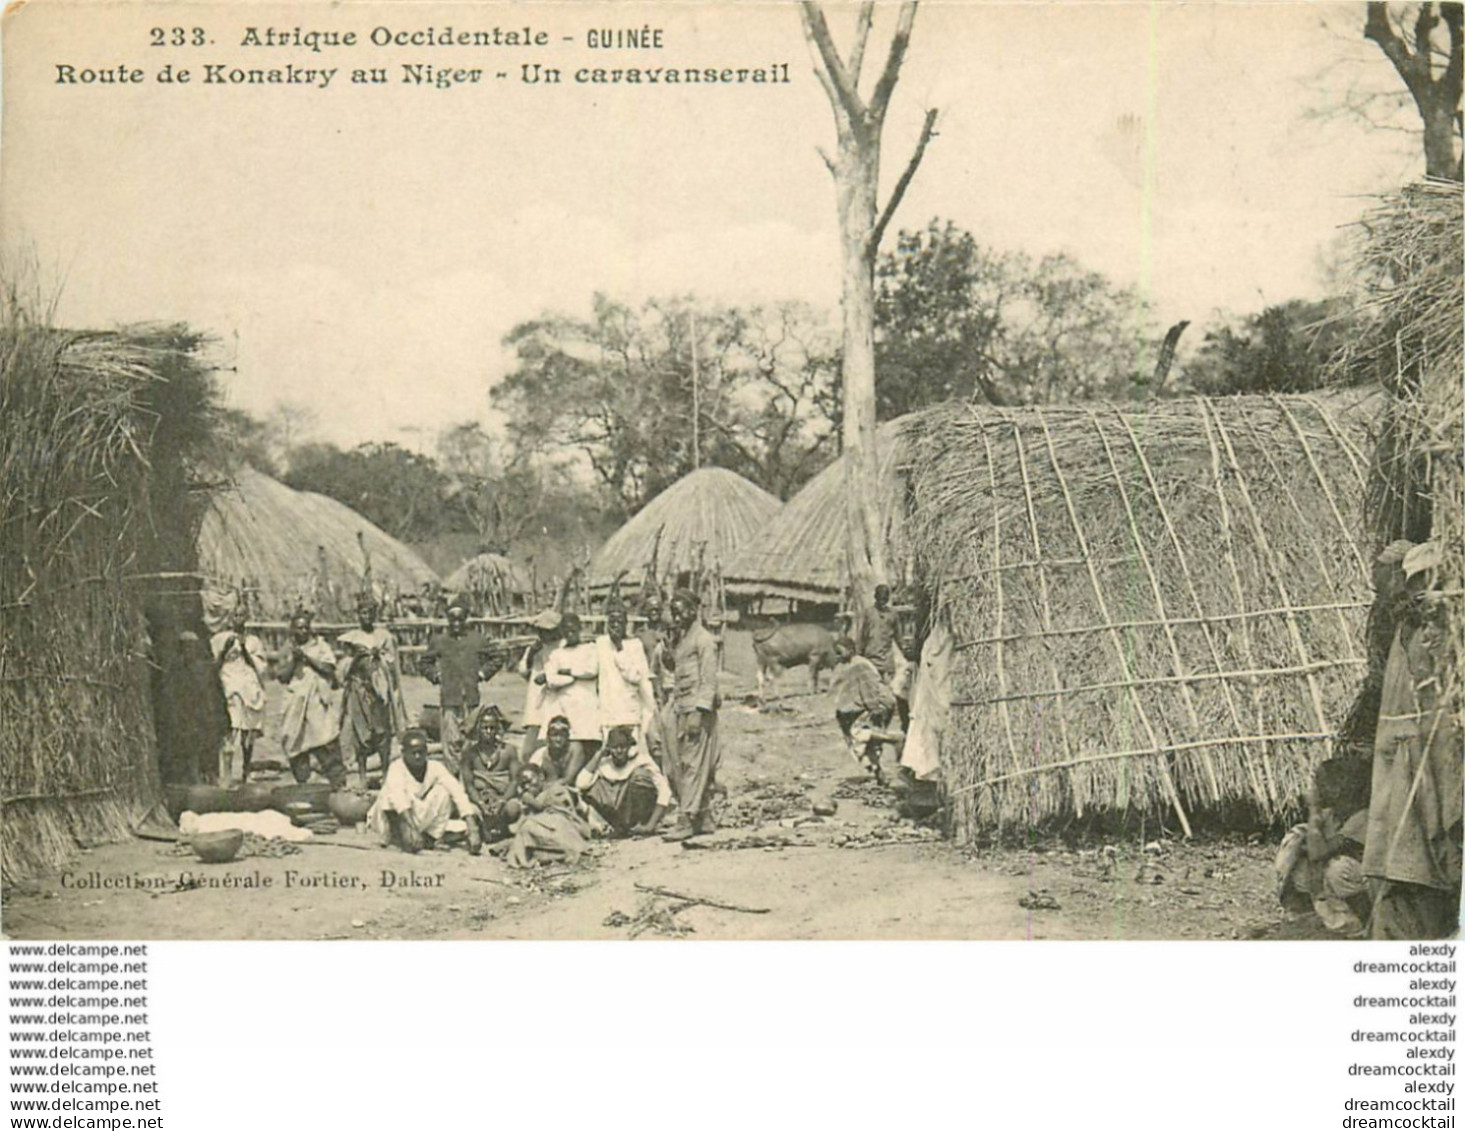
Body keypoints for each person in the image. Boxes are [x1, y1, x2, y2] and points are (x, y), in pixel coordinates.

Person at [1362, 542, 1463, 939]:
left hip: (1435, 745)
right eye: (1416, 582)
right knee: (1406, 834)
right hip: (1410, 747)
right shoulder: (1411, 630)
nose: (1422, 590)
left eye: (1430, 579)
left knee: (1440, 826)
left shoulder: (1442, 630)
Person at [1275, 757, 1372, 935]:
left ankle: (1363, 922)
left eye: (1320, 783)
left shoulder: (1362, 817)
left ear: (1338, 789)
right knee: (1295, 844)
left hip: (1365, 884)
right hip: (1330, 883)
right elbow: (1311, 849)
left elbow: (1318, 852)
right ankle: (1309, 910)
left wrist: (1313, 811)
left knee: (1338, 868)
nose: (1315, 789)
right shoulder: (1331, 814)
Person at [661, 589, 721, 842]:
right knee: (678, 762)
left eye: (680, 610)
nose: (676, 615)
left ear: (693, 610)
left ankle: (686, 819)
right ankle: (704, 816)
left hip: (696, 710)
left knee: (693, 765)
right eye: (673, 611)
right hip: (680, 707)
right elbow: (678, 670)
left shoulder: (704, 639)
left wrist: (699, 711)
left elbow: (708, 680)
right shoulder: (683, 638)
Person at [367, 729, 483, 855]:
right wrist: (412, 829)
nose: (418, 756)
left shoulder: (435, 767)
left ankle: (431, 837)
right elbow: (399, 801)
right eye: (413, 753)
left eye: (421, 752)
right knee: (388, 795)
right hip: (398, 817)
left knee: (443, 791)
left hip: (416, 814)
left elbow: (457, 792)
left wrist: (473, 829)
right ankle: (395, 837)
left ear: (426, 752)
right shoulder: (396, 768)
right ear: (403, 753)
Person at [336, 596, 407, 790]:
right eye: (363, 613)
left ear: (375, 614)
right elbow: (342, 669)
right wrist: (356, 659)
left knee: (382, 732)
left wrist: (379, 658)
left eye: (370, 613)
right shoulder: (351, 638)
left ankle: (385, 773)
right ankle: (362, 776)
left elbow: (392, 663)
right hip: (358, 691)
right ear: (358, 615)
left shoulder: (384, 636)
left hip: (380, 692)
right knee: (360, 734)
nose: (366, 617)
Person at [423, 596, 503, 765]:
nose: (456, 623)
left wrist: (482, 673)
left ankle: (469, 775)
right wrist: (435, 676)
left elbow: (497, 657)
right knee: (452, 740)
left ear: (465, 618)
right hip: (450, 698)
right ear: (448, 620)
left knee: (472, 738)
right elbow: (424, 662)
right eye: (452, 619)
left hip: (472, 698)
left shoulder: (477, 639)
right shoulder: (440, 640)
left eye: (460, 618)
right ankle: (453, 775)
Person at [273, 611, 348, 788]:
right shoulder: (286, 649)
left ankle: (339, 786)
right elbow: (282, 677)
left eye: (306, 628)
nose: (303, 631)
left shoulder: (320, 646)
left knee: (326, 741)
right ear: (292, 630)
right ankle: (304, 786)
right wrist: (294, 662)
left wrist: (307, 659)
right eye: (299, 628)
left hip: (317, 703)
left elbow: (329, 669)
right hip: (295, 703)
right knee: (295, 744)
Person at [831, 636, 904, 785]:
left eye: (840, 652)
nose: (837, 656)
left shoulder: (860, 665)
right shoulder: (846, 665)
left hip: (870, 706)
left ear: (851, 650)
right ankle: (880, 774)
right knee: (865, 746)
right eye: (836, 653)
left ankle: (894, 739)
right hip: (854, 708)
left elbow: (869, 688)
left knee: (859, 736)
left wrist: (874, 708)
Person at [576, 724, 671, 837]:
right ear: (609, 748)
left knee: (640, 776)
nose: (619, 751)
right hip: (615, 815)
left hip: (635, 813)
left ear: (629, 747)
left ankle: (639, 825)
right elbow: (580, 784)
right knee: (593, 786)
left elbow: (665, 792)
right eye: (615, 747)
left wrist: (650, 825)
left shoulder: (642, 760)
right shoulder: (604, 763)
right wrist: (600, 754)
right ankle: (610, 827)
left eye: (623, 746)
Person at [210, 604, 268, 785]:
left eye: (242, 615)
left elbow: (261, 668)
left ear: (246, 617)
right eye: (235, 615)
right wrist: (225, 650)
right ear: (229, 618)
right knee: (231, 729)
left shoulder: (253, 641)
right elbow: (213, 666)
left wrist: (244, 649)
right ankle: (226, 774)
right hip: (229, 686)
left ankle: (246, 771)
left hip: (249, 688)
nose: (238, 619)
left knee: (248, 732)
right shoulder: (219, 639)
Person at [540, 612, 600, 784]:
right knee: (569, 750)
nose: (570, 632)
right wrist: (574, 676)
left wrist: (567, 671)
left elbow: (592, 670)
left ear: (580, 629)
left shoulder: (590, 648)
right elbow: (551, 679)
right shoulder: (557, 653)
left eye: (573, 629)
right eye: (566, 630)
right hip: (566, 707)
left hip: (587, 708)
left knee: (589, 752)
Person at [506, 760, 591, 868]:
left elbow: (561, 813)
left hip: (564, 829)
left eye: (529, 781)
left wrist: (534, 804)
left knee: (528, 827)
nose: (527, 787)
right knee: (526, 829)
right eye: (523, 785)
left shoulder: (556, 790)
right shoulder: (535, 796)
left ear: (541, 777)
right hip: (549, 832)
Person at [595, 595, 656, 745]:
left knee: (632, 749)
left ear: (626, 624)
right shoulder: (601, 644)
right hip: (608, 711)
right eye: (612, 622)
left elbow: (636, 677)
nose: (615, 626)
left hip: (629, 710)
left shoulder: (634, 645)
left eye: (619, 622)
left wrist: (619, 648)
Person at [459, 704, 519, 841]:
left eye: (492, 728)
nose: (488, 731)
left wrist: (502, 801)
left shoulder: (509, 750)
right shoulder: (470, 753)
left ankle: (500, 827)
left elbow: (515, 780)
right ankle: (482, 828)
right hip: (479, 798)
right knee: (470, 810)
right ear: (477, 729)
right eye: (485, 728)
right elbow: (469, 785)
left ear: (497, 729)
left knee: (513, 808)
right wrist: (480, 802)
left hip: (502, 797)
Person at [518, 609, 563, 758]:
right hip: (536, 700)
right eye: (540, 631)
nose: (542, 635)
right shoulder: (535, 648)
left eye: (546, 631)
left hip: (556, 698)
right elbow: (523, 671)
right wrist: (531, 654)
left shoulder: (562, 647)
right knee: (529, 750)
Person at [855, 584, 901, 683]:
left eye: (885, 599)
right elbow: (863, 634)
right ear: (875, 597)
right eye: (880, 598)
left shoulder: (893, 614)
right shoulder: (868, 613)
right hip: (871, 657)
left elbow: (898, 635)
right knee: (872, 685)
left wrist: (905, 651)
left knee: (887, 686)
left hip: (886, 658)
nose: (883, 602)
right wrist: (858, 653)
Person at [526, 715, 575, 782]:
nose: (558, 739)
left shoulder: (573, 751)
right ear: (548, 736)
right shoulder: (540, 755)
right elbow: (529, 777)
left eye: (562, 735)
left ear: (568, 736)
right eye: (554, 735)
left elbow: (569, 779)